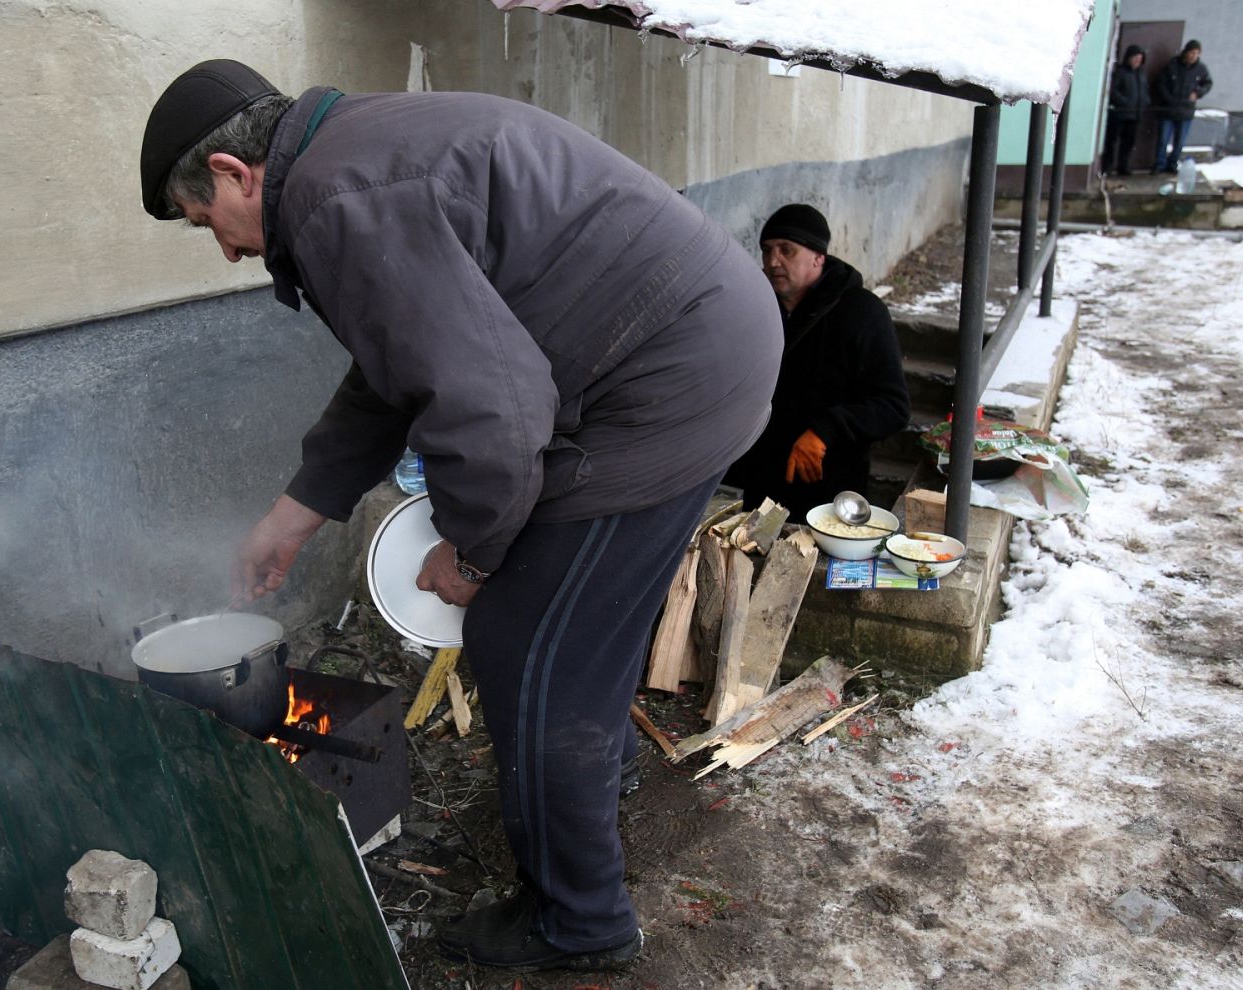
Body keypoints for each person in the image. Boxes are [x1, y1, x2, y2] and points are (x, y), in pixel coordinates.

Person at [139, 60, 779, 971]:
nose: (228, 251)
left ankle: (579, 920)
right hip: (696, 342)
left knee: (523, 638)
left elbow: (493, 410)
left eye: (210, 222)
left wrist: (474, 556)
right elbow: (400, 364)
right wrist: (297, 512)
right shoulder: (348, 159)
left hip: (663, 380)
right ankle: (592, 774)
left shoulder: (337, 200)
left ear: (239, 174)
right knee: (580, 615)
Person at [722, 204, 909, 522]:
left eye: (787, 250)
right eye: (767, 250)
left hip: (829, 491)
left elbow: (892, 406)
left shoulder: (862, 313)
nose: (773, 261)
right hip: (759, 486)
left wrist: (825, 430)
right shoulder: (758, 307)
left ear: (818, 257)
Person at [1152, 39, 1212, 174]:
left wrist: (1198, 93)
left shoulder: (1201, 69)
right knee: (1162, 140)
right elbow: (1161, 83)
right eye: (1191, 53)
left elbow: (1208, 83)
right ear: (1186, 52)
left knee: (1179, 142)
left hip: (1186, 111)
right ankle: (1159, 164)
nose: (1193, 56)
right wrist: (1168, 98)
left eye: (1196, 53)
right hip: (1168, 109)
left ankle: (1172, 164)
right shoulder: (1173, 65)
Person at [1101, 44, 1148, 176]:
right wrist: (1124, 102)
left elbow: (1144, 91)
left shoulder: (1142, 74)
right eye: (1135, 58)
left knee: (1128, 143)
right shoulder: (1120, 72)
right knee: (1112, 141)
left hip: (1135, 114)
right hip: (1120, 113)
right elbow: (1113, 91)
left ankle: (1124, 166)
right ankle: (1108, 167)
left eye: (1140, 59)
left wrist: (1145, 101)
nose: (1137, 61)